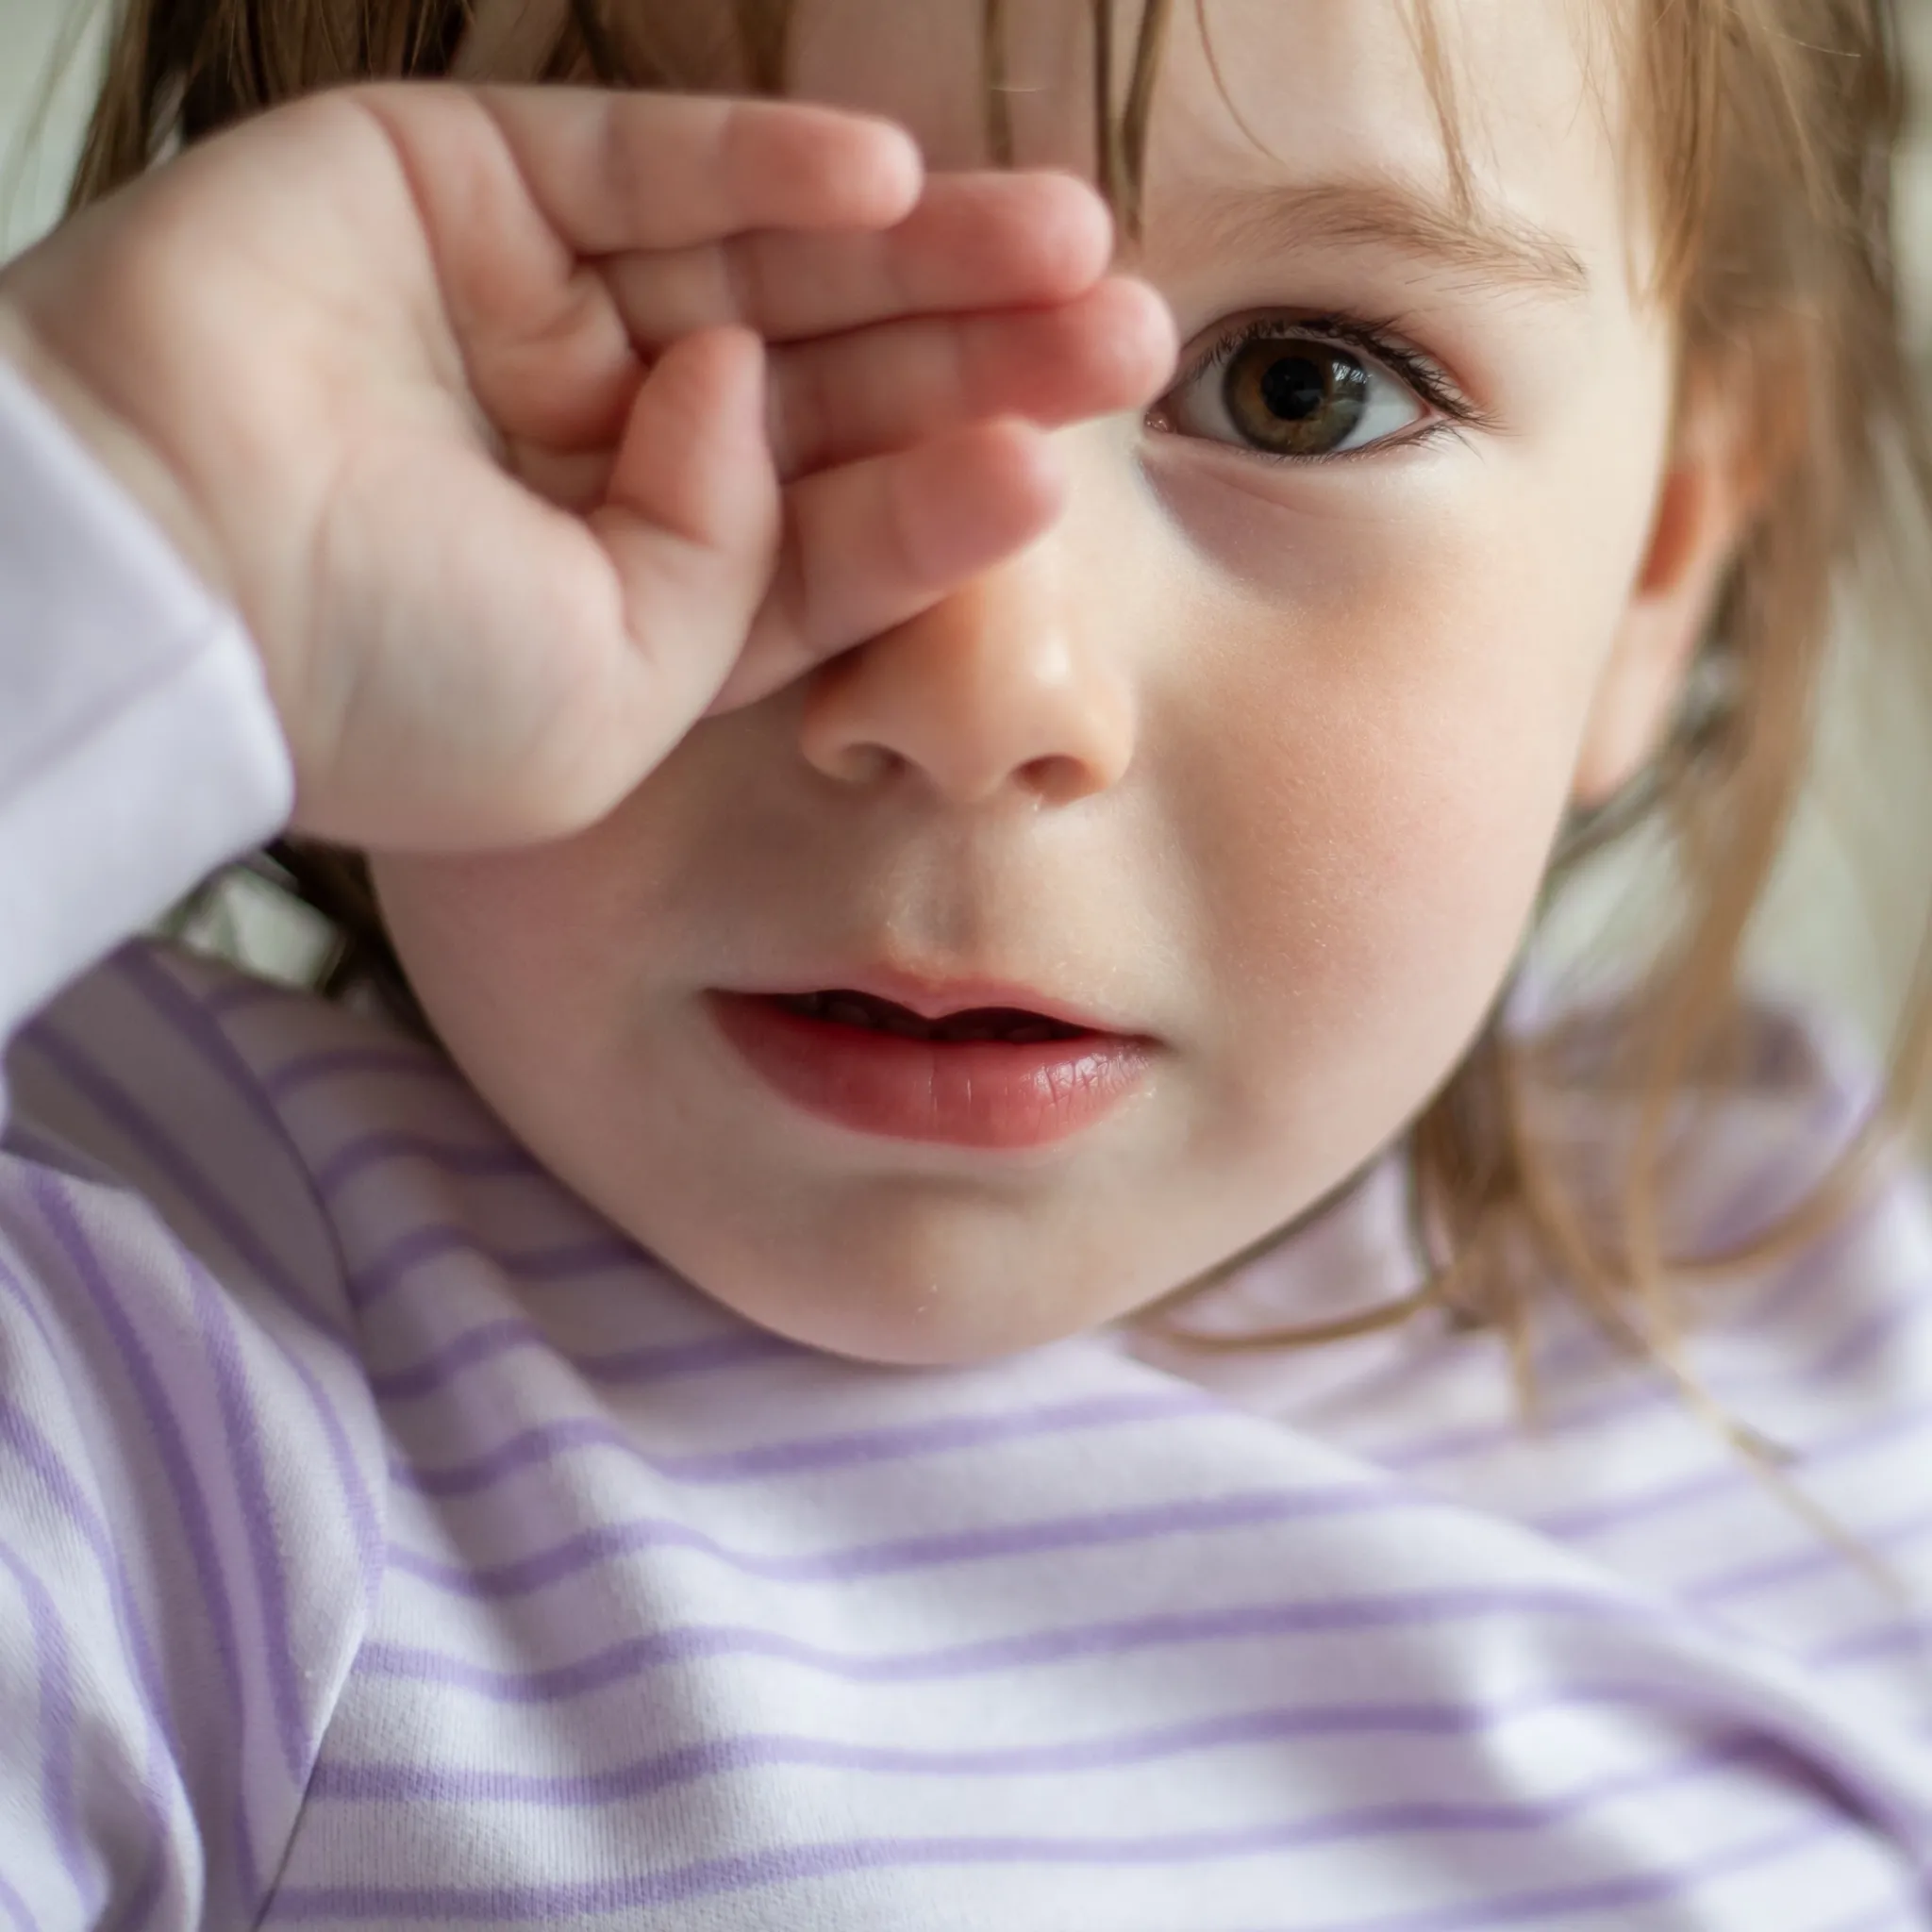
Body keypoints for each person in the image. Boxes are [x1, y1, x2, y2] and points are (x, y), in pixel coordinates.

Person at [3, 0, 1931, 1922]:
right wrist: (104, 515)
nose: (974, 685)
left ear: (1663, 553)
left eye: (1303, 389)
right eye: (699, 328)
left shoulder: (1824, 1307)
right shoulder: (149, 1370)